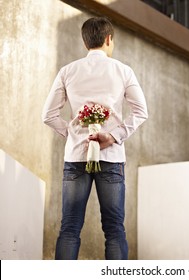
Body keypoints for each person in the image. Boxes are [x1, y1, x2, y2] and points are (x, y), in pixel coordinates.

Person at [42, 17, 148, 259]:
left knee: (69, 228)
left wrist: (73, 134)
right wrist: (113, 136)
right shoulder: (123, 71)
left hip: (76, 157)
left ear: (85, 42)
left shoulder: (67, 71)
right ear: (109, 39)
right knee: (114, 230)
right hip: (111, 158)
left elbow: (48, 115)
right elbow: (142, 111)